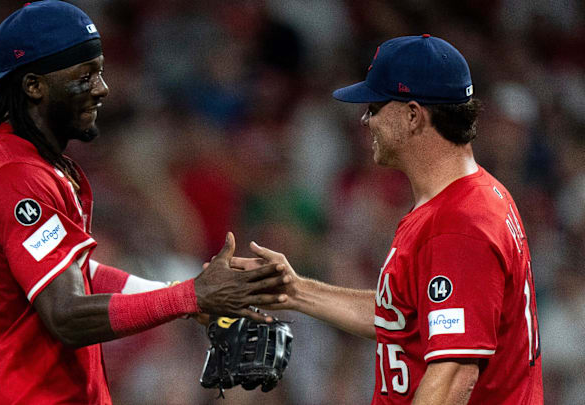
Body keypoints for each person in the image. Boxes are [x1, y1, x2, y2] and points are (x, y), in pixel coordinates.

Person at [0, 2, 286, 404]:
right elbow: (67, 314)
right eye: (84, 76)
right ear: (34, 85)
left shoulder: (15, 159)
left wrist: (182, 297)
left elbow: (76, 273)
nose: (102, 87)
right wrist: (189, 296)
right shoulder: (18, 177)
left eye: (100, 71)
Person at [231, 35, 543, 404]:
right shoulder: (465, 197)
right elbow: (403, 319)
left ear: (413, 115)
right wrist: (296, 290)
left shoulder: (459, 223)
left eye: (375, 106)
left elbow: (454, 375)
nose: (365, 119)